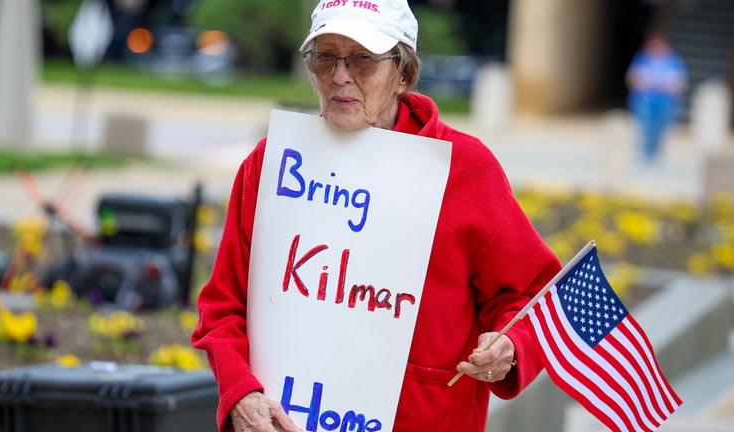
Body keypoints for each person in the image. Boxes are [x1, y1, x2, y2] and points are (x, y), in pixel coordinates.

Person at [191, 1, 561, 431]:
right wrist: (241, 392)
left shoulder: (466, 168)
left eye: (363, 60)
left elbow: (532, 296)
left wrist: (510, 345)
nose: (340, 76)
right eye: (325, 57)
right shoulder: (272, 162)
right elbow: (223, 305)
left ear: (403, 73)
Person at [626, 33, 687, 164]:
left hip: (666, 100)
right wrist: (641, 84)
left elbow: (680, 83)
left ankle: (655, 153)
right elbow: (631, 77)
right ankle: (644, 151)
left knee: (660, 127)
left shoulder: (674, 61)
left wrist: (668, 87)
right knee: (645, 126)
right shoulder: (642, 58)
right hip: (645, 98)